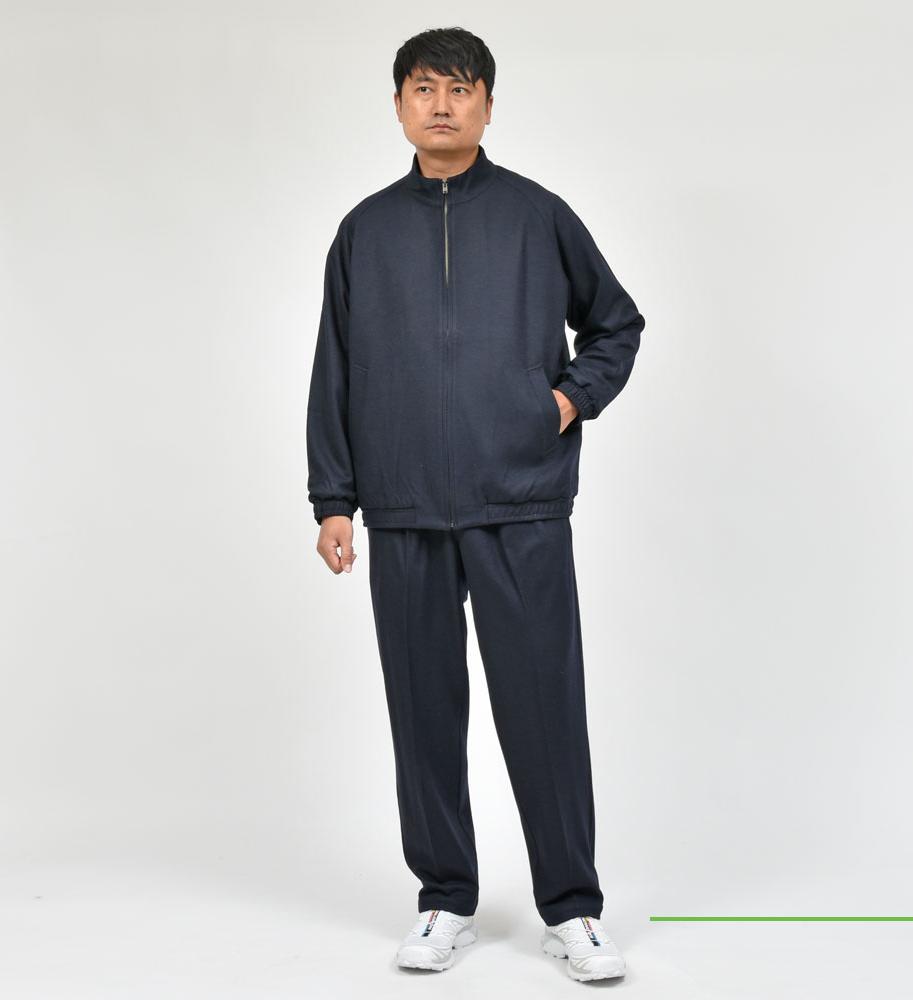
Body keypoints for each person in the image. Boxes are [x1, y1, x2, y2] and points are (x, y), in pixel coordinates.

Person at [306, 26, 645, 983]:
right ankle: (445, 898)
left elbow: (615, 324)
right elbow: (334, 370)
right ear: (399, 106)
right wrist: (334, 498)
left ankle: (572, 910)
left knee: (543, 709)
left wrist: (562, 403)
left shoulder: (539, 216)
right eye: (425, 88)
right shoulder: (365, 231)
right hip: (405, 507)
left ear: (490, 104)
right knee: (423, 714)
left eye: (461, 88)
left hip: (520, 502)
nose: (443, 104)